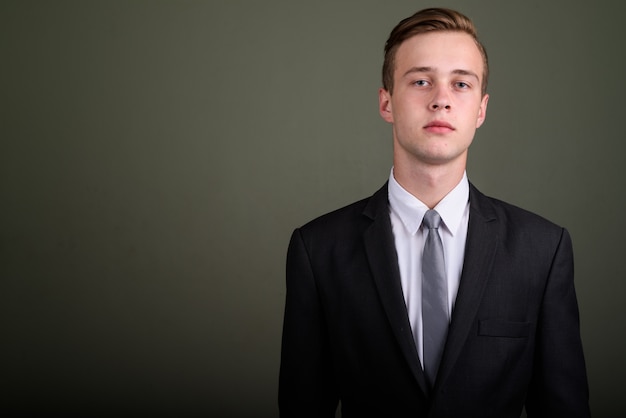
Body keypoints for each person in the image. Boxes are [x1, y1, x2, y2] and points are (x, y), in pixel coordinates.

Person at [278, 7, 590, 418]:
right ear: (386, 102)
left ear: (480, 109)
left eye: (461, 84)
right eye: (421, 81)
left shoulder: (543, 250)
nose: (441, 99)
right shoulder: (318, 250)